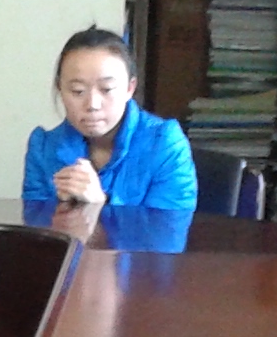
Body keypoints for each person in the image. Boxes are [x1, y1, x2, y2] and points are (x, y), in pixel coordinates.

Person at [22, 26, 195, 211]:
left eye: (107, 89)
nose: (92, 104)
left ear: (130, 88)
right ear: (60, 89)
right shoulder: (43, 148)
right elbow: (34, 224)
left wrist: (101, 203)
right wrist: (63, 209)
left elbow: (169, 226)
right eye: (78, 91)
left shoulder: (165, 144)